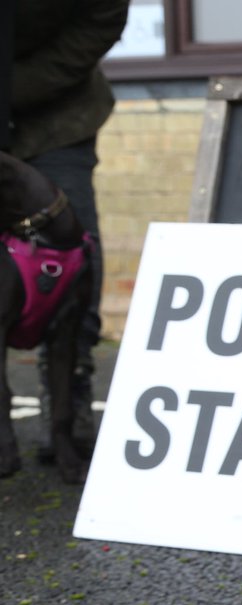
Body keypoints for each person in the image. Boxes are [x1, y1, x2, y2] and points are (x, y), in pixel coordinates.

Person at [6, 0, 130, 457]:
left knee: (73, 258)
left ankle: (69, 403)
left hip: (55, 118)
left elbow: (103, 14)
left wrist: (13, 88)